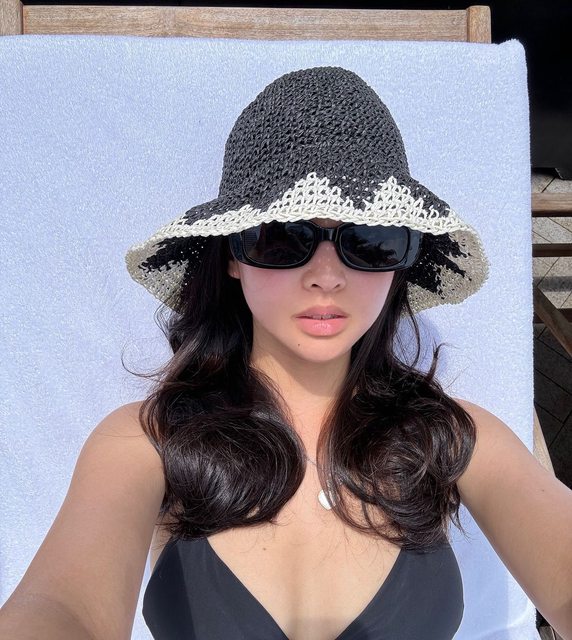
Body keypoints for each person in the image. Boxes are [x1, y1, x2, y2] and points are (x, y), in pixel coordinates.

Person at [1, 66, 571, 640]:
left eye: (370, 240)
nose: (326, 275)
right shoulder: (145, 444)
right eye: (282, 238)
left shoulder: (456, 438)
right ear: (231, 254)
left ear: (401, 263)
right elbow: (61, 606)